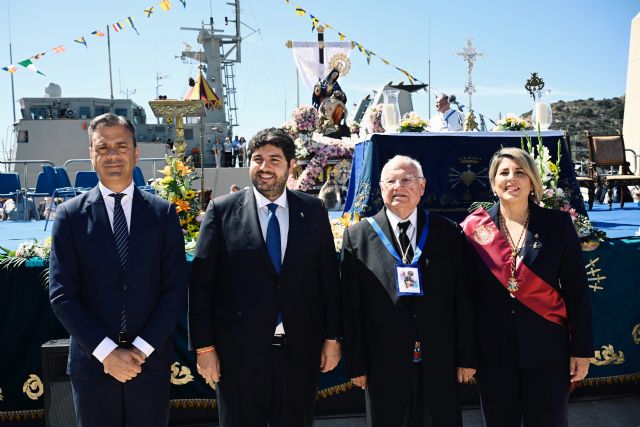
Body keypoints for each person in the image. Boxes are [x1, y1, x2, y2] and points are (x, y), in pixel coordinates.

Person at [189, 127, 341, 427]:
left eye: (274, 159)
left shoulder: (312, 210)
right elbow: (201, 284)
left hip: (300, 351)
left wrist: (332, 338)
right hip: (238, 356)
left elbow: (329, 281)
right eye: (258, 159)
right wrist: (204, 349)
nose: (265, 167)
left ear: (290, 165)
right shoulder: (222, 211)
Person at [48, 113, 188, 426]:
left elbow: (175, 289)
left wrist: (139, 350)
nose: (112, 155)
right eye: (103, 147)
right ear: (91, 155)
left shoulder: (163, 214)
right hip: (93, 366)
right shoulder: (69, 217)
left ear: (136, 152)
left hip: (148, 365)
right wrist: (108, 354)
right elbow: (62, 296)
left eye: (121, 146)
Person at [461, 147, 593, 427]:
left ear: (532, 180)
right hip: (492, 352)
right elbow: (465, 297)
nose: (512, 179)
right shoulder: (474, 230)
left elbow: (577, 291)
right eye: (504, 173)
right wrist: (467, 353)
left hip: (548, 349)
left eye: (520, 172)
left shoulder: (557, 225)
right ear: (493, 183)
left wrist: (581, 349)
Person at [341, 155, 476, 426]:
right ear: (381, 189)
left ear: (422, 187)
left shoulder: (448, 233)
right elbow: (350, 305)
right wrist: (357, 363)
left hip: (441, 358)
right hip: (383, 361)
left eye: (407, 179)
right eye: (391, 180)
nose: (398, 186)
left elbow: (463, 298)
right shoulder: (357, 236)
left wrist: (467, 356)